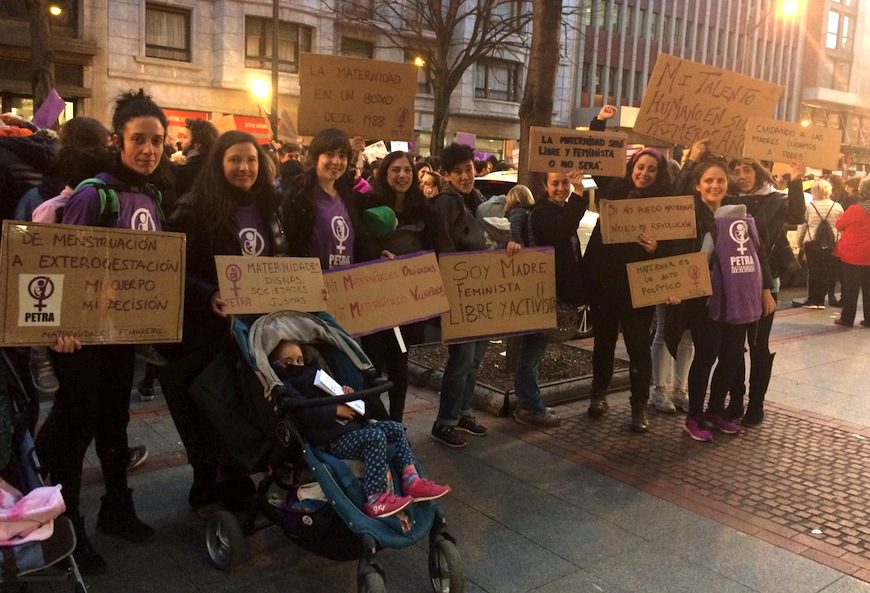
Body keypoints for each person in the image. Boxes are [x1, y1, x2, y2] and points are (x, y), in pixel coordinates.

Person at [37, 89, 165, 574]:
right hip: (81, 340)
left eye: (157, 140)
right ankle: (64, 532)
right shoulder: (95, 193)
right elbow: (61, 264)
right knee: (76, 433)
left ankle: (118, 508)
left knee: (115, 421)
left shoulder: (152, 194)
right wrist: (61, 329)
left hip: (121, 335)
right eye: (140, 139)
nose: (149, 150)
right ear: (119, 140)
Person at [163, 130, 281, 512]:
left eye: (251, 160)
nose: (244, 168)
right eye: (234, 160)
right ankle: (208, 488)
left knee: (246, 408)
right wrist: (207, 294)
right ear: (219, 163)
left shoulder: (271, 206)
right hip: (209, 333)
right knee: (212, 410)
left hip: (256, 329)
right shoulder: (193, 208)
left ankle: (239, 478)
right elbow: (171, 268)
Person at [270, 340, 450, 518]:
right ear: (277, 365)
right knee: (375, 437)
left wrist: (344, 393)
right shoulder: (288, 385)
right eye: (288, 361)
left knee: (395, 428)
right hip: (331, 440)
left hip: (350, 428)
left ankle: (412, 480)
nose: (296, 365)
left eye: (299, 359)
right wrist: (335, 410)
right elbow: (303, 412)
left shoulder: (318, 374)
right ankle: (376, 498)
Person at [584, 105, 673, 433]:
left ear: (657, 174)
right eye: (641, 166)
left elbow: (673, 242)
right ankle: (598, 394)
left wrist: (656, 248)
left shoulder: (664, 204)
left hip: (639, 285)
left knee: (638, 347)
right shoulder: (612, 187)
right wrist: (600, 123)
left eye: (651, 169)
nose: (644, 173)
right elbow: (597, 153)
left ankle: (638, 407)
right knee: (603, 342)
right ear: (632, 166)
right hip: (607, 282)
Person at [676, 160, 770, 442]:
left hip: (738, 301)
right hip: (706, 302)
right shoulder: (687, 214)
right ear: (697, 185)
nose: (715, 186)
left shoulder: (739, 214)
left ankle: (715, 411)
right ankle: (694, 417)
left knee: (730, 358)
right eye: (708, 181)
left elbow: (758, 252)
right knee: (706, 357)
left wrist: (765, 289)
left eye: (720, 180)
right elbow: (679, 254)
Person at [721, 157, 806, 425]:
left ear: (759, 173)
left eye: (748, 170)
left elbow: (796, 216)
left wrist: (795, 179)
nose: (742, 175)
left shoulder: (775, 199)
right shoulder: (728, 200)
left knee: (758, 346)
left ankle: (756, 405)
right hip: (733, 284)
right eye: (736, 170)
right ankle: (735, 400)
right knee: (733, 347)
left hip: (764, 285)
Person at [357, 151, 429, 422]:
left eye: (407, 170)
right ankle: (372, 420)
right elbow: (360, 241)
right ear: (384, 174)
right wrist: (378, 253)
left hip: (406, 302)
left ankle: (396, 424)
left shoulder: (422, 208)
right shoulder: (368, 203)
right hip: (376, 300)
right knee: (372, 362)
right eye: (395, 170)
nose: (402, 175)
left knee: (400, 361)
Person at [426, 142, 490, 448]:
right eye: (458, 171)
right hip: (459, 295)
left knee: (475, 357)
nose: (466, 176)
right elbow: (445, 250)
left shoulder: (471, 199)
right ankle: (445, 421)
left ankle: (464, 412)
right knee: (462, 358)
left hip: (475, 295)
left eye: (469, 169)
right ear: (446, 175)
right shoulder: (446, 203)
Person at [512, 171, 587, 427]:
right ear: (545, 186)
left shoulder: (556, 210)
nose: (561, 188)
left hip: (548, 291)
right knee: (532, 351)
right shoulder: (545, 213)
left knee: (534, 350)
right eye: (555, 183)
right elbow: (563, 230)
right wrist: (578, 196)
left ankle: (530, 403)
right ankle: (529, 406)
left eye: (565, 183)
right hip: (541, 293)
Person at [278, 128, 365, 269]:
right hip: (311, 285)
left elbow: (359, 243)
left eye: (342, 156)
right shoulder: (297, 198)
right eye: (329, 155)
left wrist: (378, 254)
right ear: (315, 157)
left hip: (345, 285)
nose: (336, 161)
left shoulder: (348, 197)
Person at [797, 179, 843, 309]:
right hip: (832, 242)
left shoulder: (809, 206)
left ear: (814, 191)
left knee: (813, 272)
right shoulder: (837, 206)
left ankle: (813, 299)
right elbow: (841, 226)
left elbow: (803, 225)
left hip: (812, 242)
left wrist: (799, 242)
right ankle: (823, 299)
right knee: (827, 271)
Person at [833, 178, 870, 327]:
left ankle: (847, 318)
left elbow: (839, 224)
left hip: (852, 255)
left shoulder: (856, 209)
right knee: (869, 290)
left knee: (850, 289)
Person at [174, 118, 219, 199]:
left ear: (197, 145)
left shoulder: (183, 173)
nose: (181, 141)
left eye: (185, 137)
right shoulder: (218, 170)